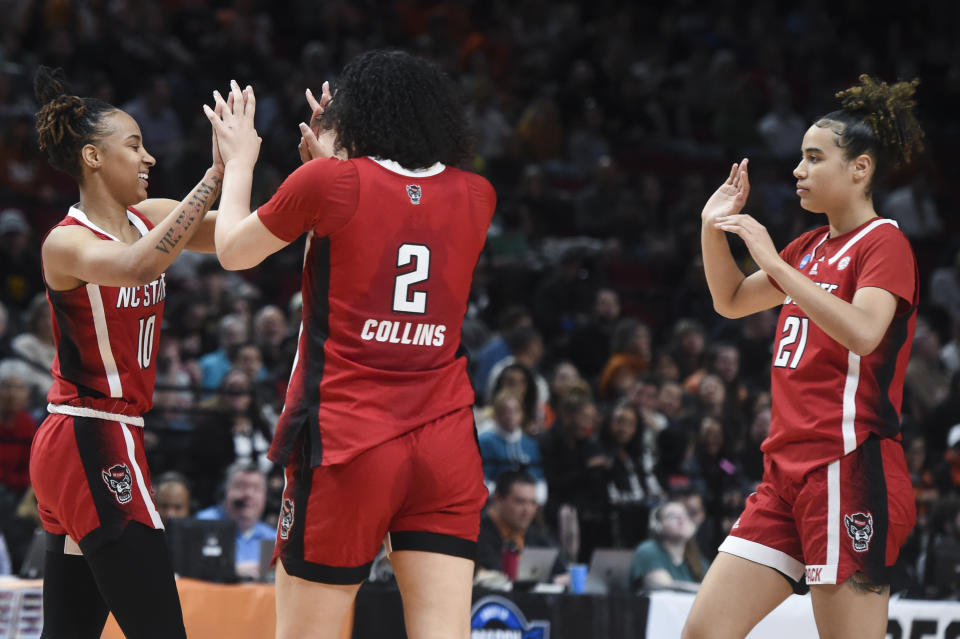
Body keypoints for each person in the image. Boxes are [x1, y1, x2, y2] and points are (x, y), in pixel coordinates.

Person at [206, 50, 495, 639]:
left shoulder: (330, 182)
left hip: (349, 439)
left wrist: (241, 161)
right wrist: (336, 158)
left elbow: (234, 250)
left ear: (358, 116)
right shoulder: (476, 194)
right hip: (444, 442)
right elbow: (378, 223)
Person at [683, 75, 924, 639]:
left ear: (859, 169)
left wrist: (771, 257)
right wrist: (710, 227)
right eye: (799, 158)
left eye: (814, 158)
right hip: (783, 471)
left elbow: (865, 333)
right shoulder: (809, 247)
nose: (799, 170)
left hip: (848, 465)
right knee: (704, 632)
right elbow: (730, 300)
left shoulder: (884, 242)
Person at [28, 66, 223, 639]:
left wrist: (318, 175)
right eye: (134, 145)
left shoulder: (152, 216)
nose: (149, 158)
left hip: (96, 439)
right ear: (92, 157)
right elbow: (140, 265)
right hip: (90, 433)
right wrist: (214, 173)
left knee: (68, 633)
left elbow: (242, 239)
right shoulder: (67, 241)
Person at [475, 471, 565, 585]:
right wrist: (552, 581)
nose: (528, 511)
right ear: (497, 499)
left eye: (532, 503)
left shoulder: (535, 536)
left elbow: (562, 571)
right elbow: (501, 578)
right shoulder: (477, 535)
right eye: (520, 502)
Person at [196, 461, 275, 579]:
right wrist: (232, 570)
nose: (248, 494)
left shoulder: (271, 538)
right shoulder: (203, 524)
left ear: (265, 498)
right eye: (240, 487)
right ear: (224, 492)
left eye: (256, 489)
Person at [629, 499, 709, 593]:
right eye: (673, 516)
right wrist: (702, 590)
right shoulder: (648, 550)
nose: (681, 520)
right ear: (657, 525)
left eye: (685, 515)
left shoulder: (695, 557)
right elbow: (662, 585)